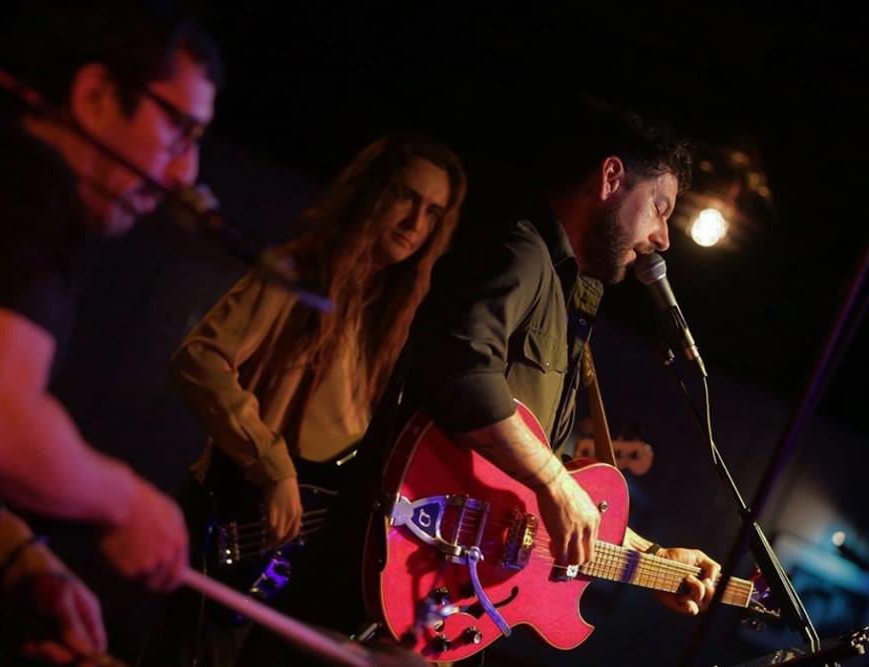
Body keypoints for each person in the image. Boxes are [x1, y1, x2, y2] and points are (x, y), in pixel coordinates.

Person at [237, 107, 724, 666]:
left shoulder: (571, 300)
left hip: (446, 597)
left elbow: (551, 490)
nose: (662, 237)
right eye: (659, 208)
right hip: (384, 569)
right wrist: (553, 482)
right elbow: (461, 370)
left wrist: (653, 558)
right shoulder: (517, 250)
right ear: (611, 178)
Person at [0, 4, 221, 663]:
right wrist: (125, 502)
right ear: (96, 95)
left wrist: (15, 552)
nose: (186, 173)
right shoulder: (21, 188)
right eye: (179, 130)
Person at [164, 134, 466, 665]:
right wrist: (274, 469)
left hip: (295, 552)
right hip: (235, 519)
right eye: (406, 197)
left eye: (433, 213)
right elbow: (199, 360)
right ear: (372, 193)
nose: (415, 222)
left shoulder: (394, 316)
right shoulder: (297, 272)